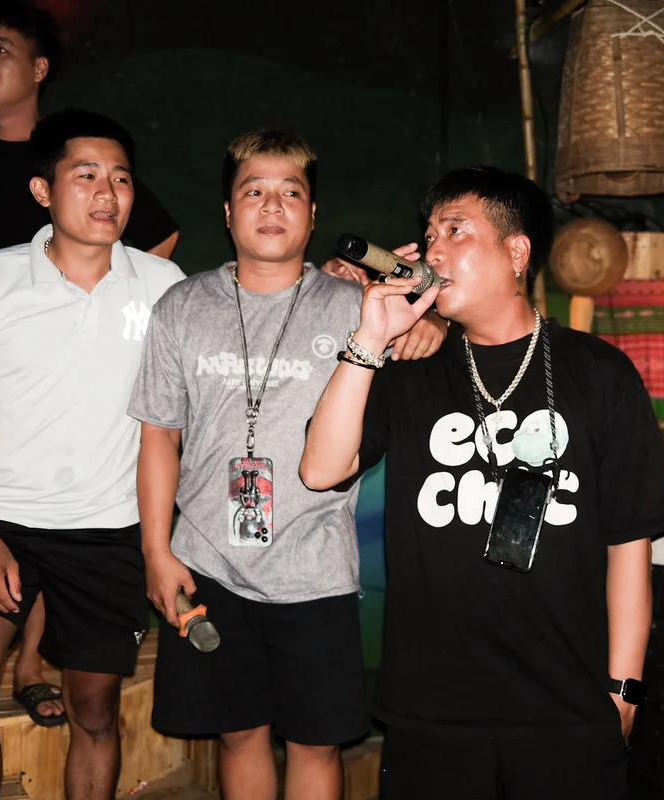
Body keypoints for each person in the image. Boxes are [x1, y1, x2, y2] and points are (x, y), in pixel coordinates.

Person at [299, 166, 664, 799]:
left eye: (457, 230)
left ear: (516, 252)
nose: (433, 250)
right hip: (432, 711)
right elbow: (320, 469)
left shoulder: (600, 373)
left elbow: (629, 547)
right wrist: (371, 338)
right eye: (429, 235)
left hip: (566, 704)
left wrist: (625, 689)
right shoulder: (410, 369)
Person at [128, 129, 446, 800]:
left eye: (290, 193)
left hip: (315, 571)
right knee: (238, 735)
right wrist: (157, 550)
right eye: (254, 191)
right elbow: (158, 435)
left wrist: (433, 324)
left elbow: (431, 332)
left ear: (313, 214)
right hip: (208, 562)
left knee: (315, 744)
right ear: (226, 212)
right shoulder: (181, 307)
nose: (272, 206)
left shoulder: (357, 309)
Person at [0, 0, 180, 732]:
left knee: (95, 704)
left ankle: (30, 666)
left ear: (39, 68)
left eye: (0, 49)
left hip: (95, 500)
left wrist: (122, 304)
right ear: (45, 191)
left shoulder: (105, 189)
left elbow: (162, 238)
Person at [0, 110, 185, 800]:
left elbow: (174, 426)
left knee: (95, 711)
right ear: (44, 191)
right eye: (87, 175)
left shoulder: (162, 288)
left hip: (110, 533)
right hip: (3, 520)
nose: (108, 192)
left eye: (122, 178)